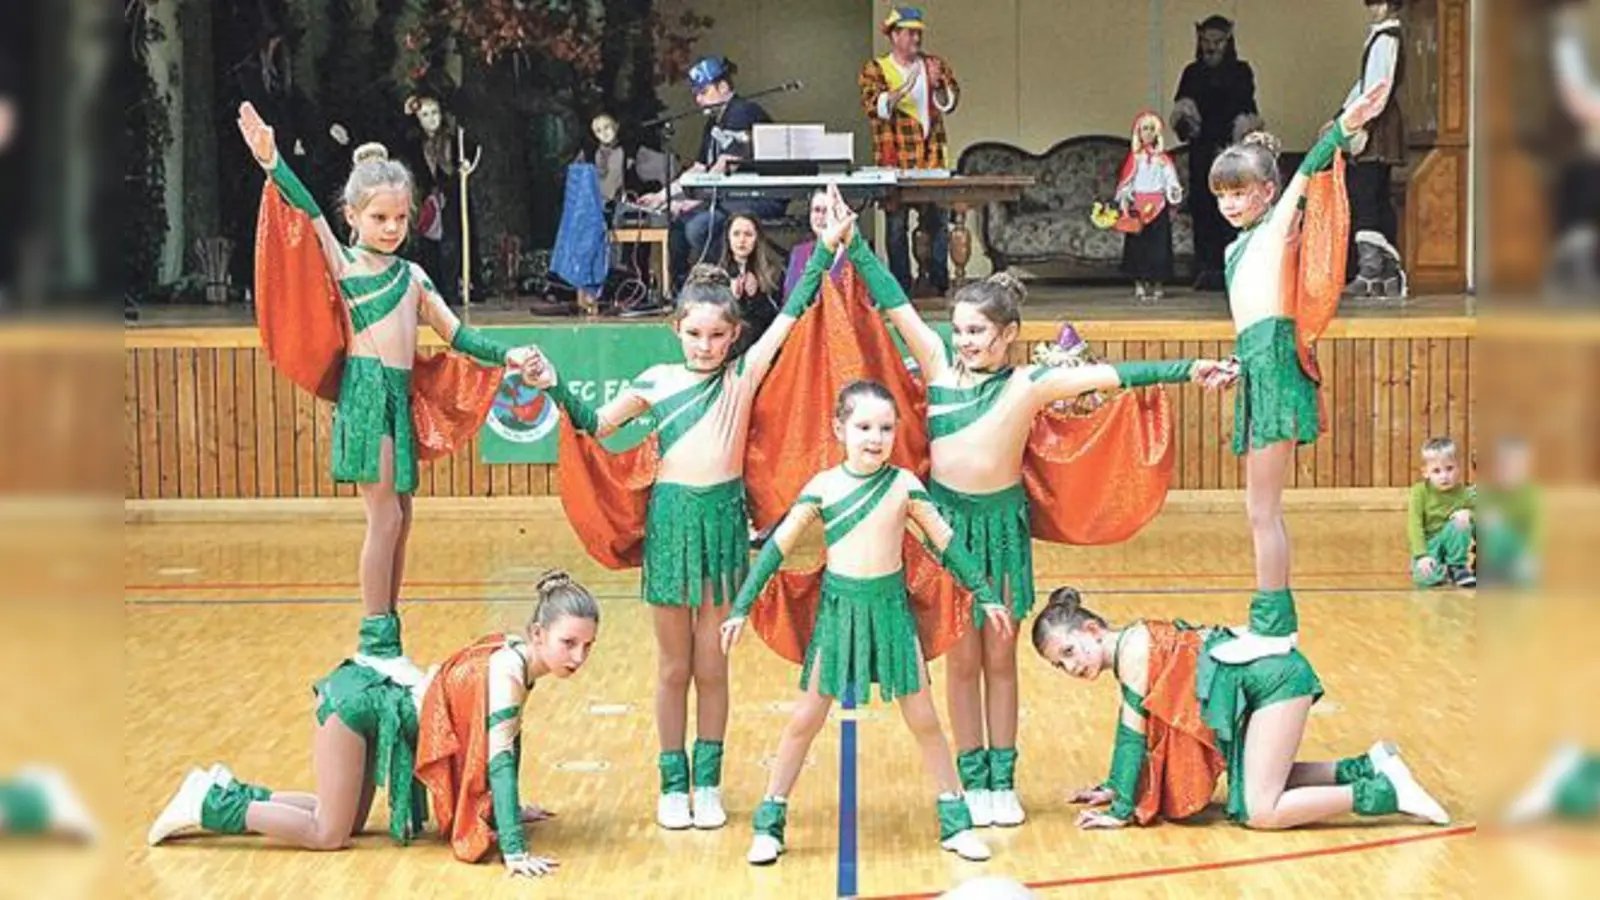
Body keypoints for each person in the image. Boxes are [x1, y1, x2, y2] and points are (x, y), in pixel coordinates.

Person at [526, 186, 859, 831]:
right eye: (694, 334)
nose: (704, 345)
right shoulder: (657, 382)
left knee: (713, 665)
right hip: (671, 527)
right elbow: (597, 424)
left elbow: (794, 311)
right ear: (675, 329)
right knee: (673, 666)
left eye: (716, 335)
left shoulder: (743, 376)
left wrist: (823, 250)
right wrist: (554, 386)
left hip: (722, 527)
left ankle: (708, 783)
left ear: (734, 336)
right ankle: (671, 782)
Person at [235, 101, 532, 672]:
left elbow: (457, 334)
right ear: (352, 216)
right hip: (367, 395)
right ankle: (375, 642)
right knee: (386, 518)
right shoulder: (345, 265)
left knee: (403, 517)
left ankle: (389, 633)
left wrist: (509, 355)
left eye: (400, 218)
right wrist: (273, 162)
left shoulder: (414, 276)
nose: (392, 228)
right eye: (379, 218)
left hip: (400, 398)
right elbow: (306, 211)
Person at [721, 380, 1013, 864]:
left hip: (892, 614)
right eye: (863, 427)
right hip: (839, 615)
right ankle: (769, 821)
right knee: (805, 719)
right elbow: (776, 548)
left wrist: (985, 595)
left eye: (885, 428)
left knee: (924, 719)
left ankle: (956, 821)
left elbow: (945, 542)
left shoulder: (904, 485)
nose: (874, 438)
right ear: (839, 428)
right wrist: (739, 606)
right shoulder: (823, 487)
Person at [150, 572, 599, 880]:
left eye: (587, 645)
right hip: (357, 705)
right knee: (329, 834)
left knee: (346, 821)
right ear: (537, 634)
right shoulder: (508, 672)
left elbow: (500, 744)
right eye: (568, 642)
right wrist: (515, 850)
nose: (578, 656)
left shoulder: (518, 657)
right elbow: (497, 761)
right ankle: (207, 804)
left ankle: (229, 790)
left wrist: (509, 809)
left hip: (375, 707)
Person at [1205, 83, 1390, 663]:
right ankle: (1271, 621)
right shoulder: (1234, 250)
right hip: (1257, 367)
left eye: (1240, 192)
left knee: (1263, 511)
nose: (1230, 204)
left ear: (1268, 192)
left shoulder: (1277, 225)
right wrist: (1238, 363)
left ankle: (1274, 626)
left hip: (1279, 370)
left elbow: (1311, 167)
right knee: (1259, 510)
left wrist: (1346, 122)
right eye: (1221, 195)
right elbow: (1254, 319)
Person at [1031, 587, 1451, 831]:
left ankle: (1387, 792)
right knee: (1252, 782)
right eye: (1059, 665)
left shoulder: (1134, 649)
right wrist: (1113, 786)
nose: (1071, 667)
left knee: (1259, 810)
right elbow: (1134, 736)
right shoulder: (1131, 646)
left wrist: (1121, 810)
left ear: (1093, 629)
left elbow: (1132, 737)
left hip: (1276, 682)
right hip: (1261, 686)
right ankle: (1366, 767)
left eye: (1069, 651)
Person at [643, 56, 785, 288]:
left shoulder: (742, 112)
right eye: (696, 93)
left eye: (704, 92)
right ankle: (680, 289)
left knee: (699, 227)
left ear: (723, 86)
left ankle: (723, 285)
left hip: (758, 196)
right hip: (728, 198)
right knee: (677, 224)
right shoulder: (713, 122)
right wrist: (663, 196)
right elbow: (699, 168)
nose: (698, 99)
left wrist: (692, 200)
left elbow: (725, 166)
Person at [859, 6, 959, 297]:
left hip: (931, 157)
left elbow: (950, 102)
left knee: (938, 221)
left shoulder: (934, 64)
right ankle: (899, 287)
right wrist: (907, 86)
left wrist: (936, 85)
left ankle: (938, 284)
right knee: (896, 225)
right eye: (909, 33)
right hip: (896, 158)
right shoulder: (876, 69)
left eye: (918, 33)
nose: (916, 38)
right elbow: (874, 106)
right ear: (894, 36)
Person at [1171, 15, 1261, 292]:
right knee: (1202, 206)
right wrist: (1185, 122)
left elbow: (1248, 111)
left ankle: (1234, 268)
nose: (1211, 47)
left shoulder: (1241, 72)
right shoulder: (1191, 72)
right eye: (1206, 41)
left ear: (1228, 42)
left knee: (1235, 208)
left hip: (1233, 151)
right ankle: (1206, 269)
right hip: (1201, 151)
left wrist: (1240, 141)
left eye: (1217, 41)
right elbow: (1182, 117)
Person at [1341, 1, 1409, 300]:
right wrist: (1341, 115)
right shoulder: (1382, 36)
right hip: (1373, 119)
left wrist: (1361, 124)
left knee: (1367, 195)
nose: (1375, 8)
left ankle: (1371, 272)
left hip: (1376, 125)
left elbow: (1377, 89)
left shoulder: (1387, 37)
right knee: (1376, 195)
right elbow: (1364, 85)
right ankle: (1384, 274)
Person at [1115, 111, 1184, 302]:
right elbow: (1126, 181)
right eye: (1144, 129)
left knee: (1159, 247)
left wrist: (1173, 193)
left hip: (1158, 206)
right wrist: (1125, 200)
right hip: (1138, 207)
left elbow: (1171, 180)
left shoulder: (1163, 159)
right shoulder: (1134, 158)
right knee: (1138, 247)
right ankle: (1139, 283)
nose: (1148, 133)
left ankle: (1158, 284)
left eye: (1152, 129)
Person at [1406, 437, 1477, 589]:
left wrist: (1469, 514)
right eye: (1437, 471)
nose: (1444, 476)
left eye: (1449, 469)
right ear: (1426, 472)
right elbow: (1414, 525)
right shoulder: (1419, 492)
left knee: (1460, 522)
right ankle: (1441, 569)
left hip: (1451, 539)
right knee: (1426, 579)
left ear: (1458, 468)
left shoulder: (1464, 493)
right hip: (1429, 544)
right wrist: (1422, 555)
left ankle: (1457, 566)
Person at [720, 213, 783, 351]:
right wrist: (731, 298)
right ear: (728, 238)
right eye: (736, 234)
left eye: (748, 234)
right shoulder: (718, 273)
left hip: (762, 345)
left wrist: (756, 297)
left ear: (757, 238)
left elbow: (779, 319)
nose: (742, 240)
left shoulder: (773, 270)